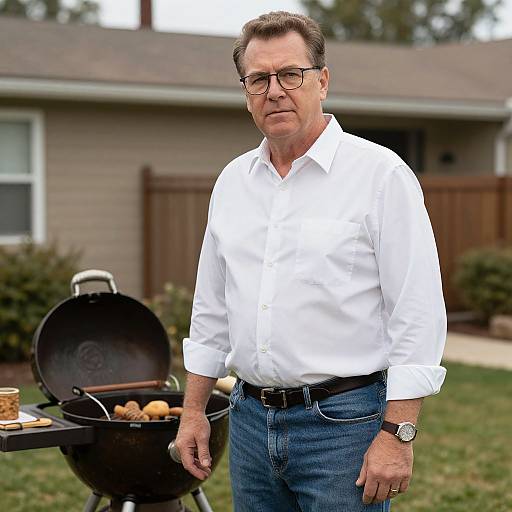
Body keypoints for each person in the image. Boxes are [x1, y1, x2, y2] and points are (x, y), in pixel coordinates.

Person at [175, 11, 447, 512]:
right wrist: (193, 411)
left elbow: (418, 311)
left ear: (322, 81)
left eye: (290, 74)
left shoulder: (380, 175)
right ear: (246, 92)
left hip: (343, 427)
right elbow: (211, 310)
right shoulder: (233, 183)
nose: (274, 90)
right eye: (258, 79)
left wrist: (398, 433)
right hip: (250, 422)